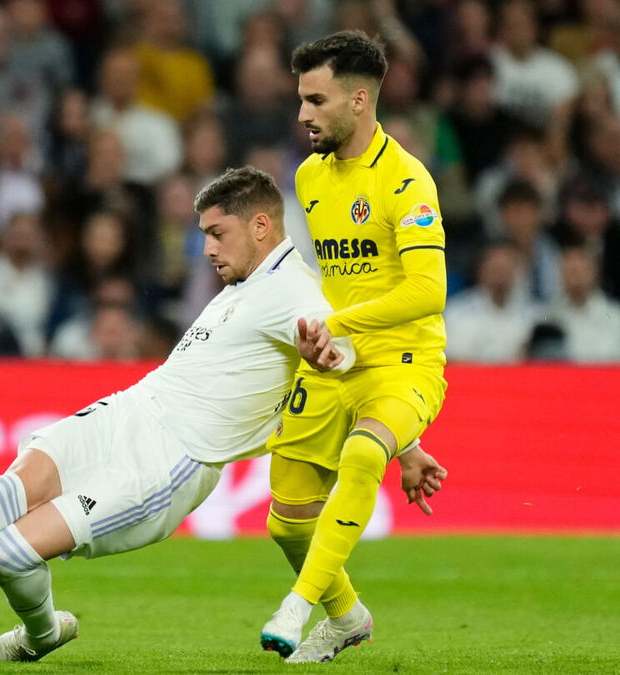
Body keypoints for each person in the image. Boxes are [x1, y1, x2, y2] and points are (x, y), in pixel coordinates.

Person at [0, 167, 446, 664]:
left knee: (11, 553)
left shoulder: (299, 293)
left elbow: (349, 361)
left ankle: (43, 633)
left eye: (217, 234)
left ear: (261, 227)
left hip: (168, 462)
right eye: (202, 237)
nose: (208, 251)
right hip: (130, 407)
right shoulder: (245, 284)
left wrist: (399, 438)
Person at [259, 30, 450, 663]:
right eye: (301, 100)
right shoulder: (310, 178)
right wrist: (326, 334)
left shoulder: (406, 181)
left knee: (366, 455)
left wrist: (341, 326)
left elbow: (428, 290)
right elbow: (341, 279)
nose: (302, 114)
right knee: (285, 521)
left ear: (360, 99)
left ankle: (298, 604)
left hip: (405, 365)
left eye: (316, 100)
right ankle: (346, 616)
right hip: (336, 363)